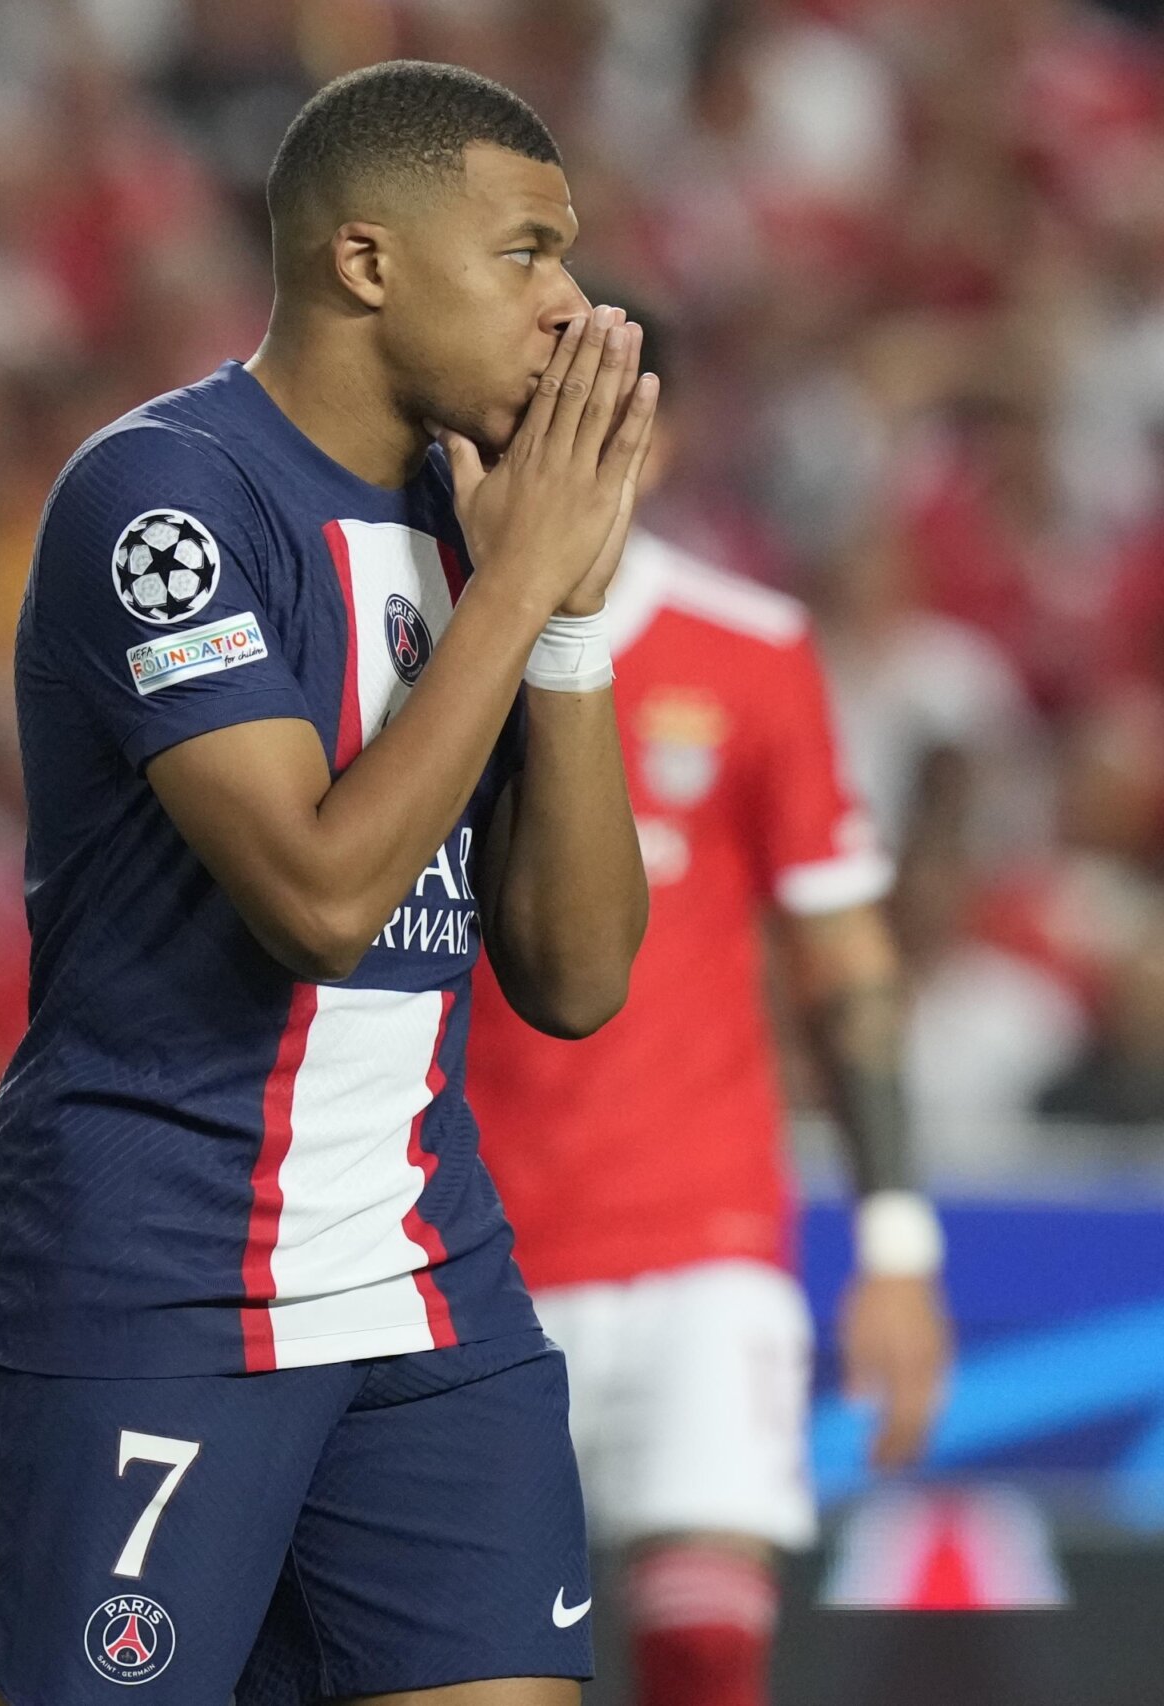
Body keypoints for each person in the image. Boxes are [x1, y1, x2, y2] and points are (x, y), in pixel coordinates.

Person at [0, 61, 657, 1706]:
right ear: (367, 261)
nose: (569, 303)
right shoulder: (167, 500)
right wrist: (519, 582)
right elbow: (321, 903)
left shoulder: (474, 525)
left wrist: (563, 622)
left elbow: (576, 977)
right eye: (526, 252)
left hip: (423, 1275)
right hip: (153, 1275)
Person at [466, 313, 951, 1706]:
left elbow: (847, 969)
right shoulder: (420, 635)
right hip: (468, 1246)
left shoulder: (751, 650)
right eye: (534, 411)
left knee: (704, 1649)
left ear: (658, 437)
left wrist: (897, 1245)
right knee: (478, 1668)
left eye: (599, 411)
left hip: (702, 1237)